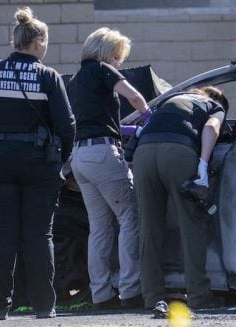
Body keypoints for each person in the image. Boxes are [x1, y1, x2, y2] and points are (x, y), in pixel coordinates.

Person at [0, 7, 75, 320]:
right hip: (39, 164)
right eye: (46, 40)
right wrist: (59, 161)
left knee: (1, 235)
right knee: (39, 236)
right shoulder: (48, 76)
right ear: (37, 42)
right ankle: (43, 307)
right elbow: (67, 125)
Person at [67, 27, 150, 309]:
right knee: (130, 218)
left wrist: (126, 129)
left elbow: (96, 121)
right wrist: (150, 117)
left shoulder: (77, 79)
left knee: (100, 227)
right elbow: (135, 98)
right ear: (106, 54)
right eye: (118, 57)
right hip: (103, 155)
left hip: (80, 157)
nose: (120, 63)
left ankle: (101, 294)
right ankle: (130, 291)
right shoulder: (104, 69)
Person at [134, 86, 228, 310]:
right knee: (192, 224)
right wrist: (203, 165)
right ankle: (199, 296)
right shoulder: (214, 106)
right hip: (178, 153)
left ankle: (152, 296)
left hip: (144, 154)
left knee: (148, 228)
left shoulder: (171, 100)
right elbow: (211, 128)